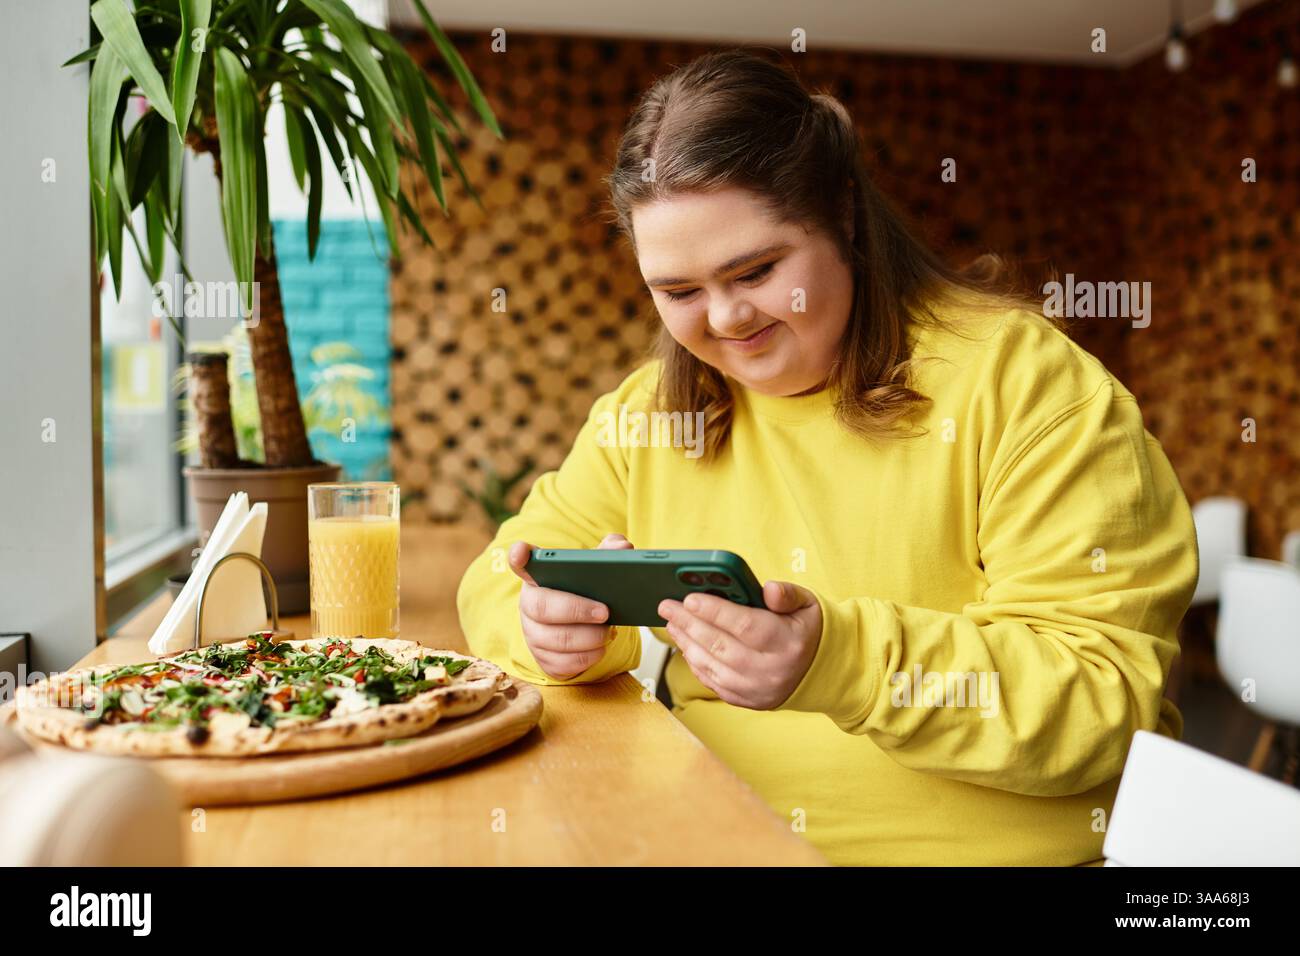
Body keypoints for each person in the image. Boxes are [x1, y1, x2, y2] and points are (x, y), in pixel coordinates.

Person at [456, 49, 1198, 865]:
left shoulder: (1029, 387)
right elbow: (500, 578)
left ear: (843, 213)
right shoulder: (651, 415)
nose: (727, 319)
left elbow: (1103, 697)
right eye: (679, 292)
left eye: (757, 270)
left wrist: (837, 660)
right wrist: (554, 631)